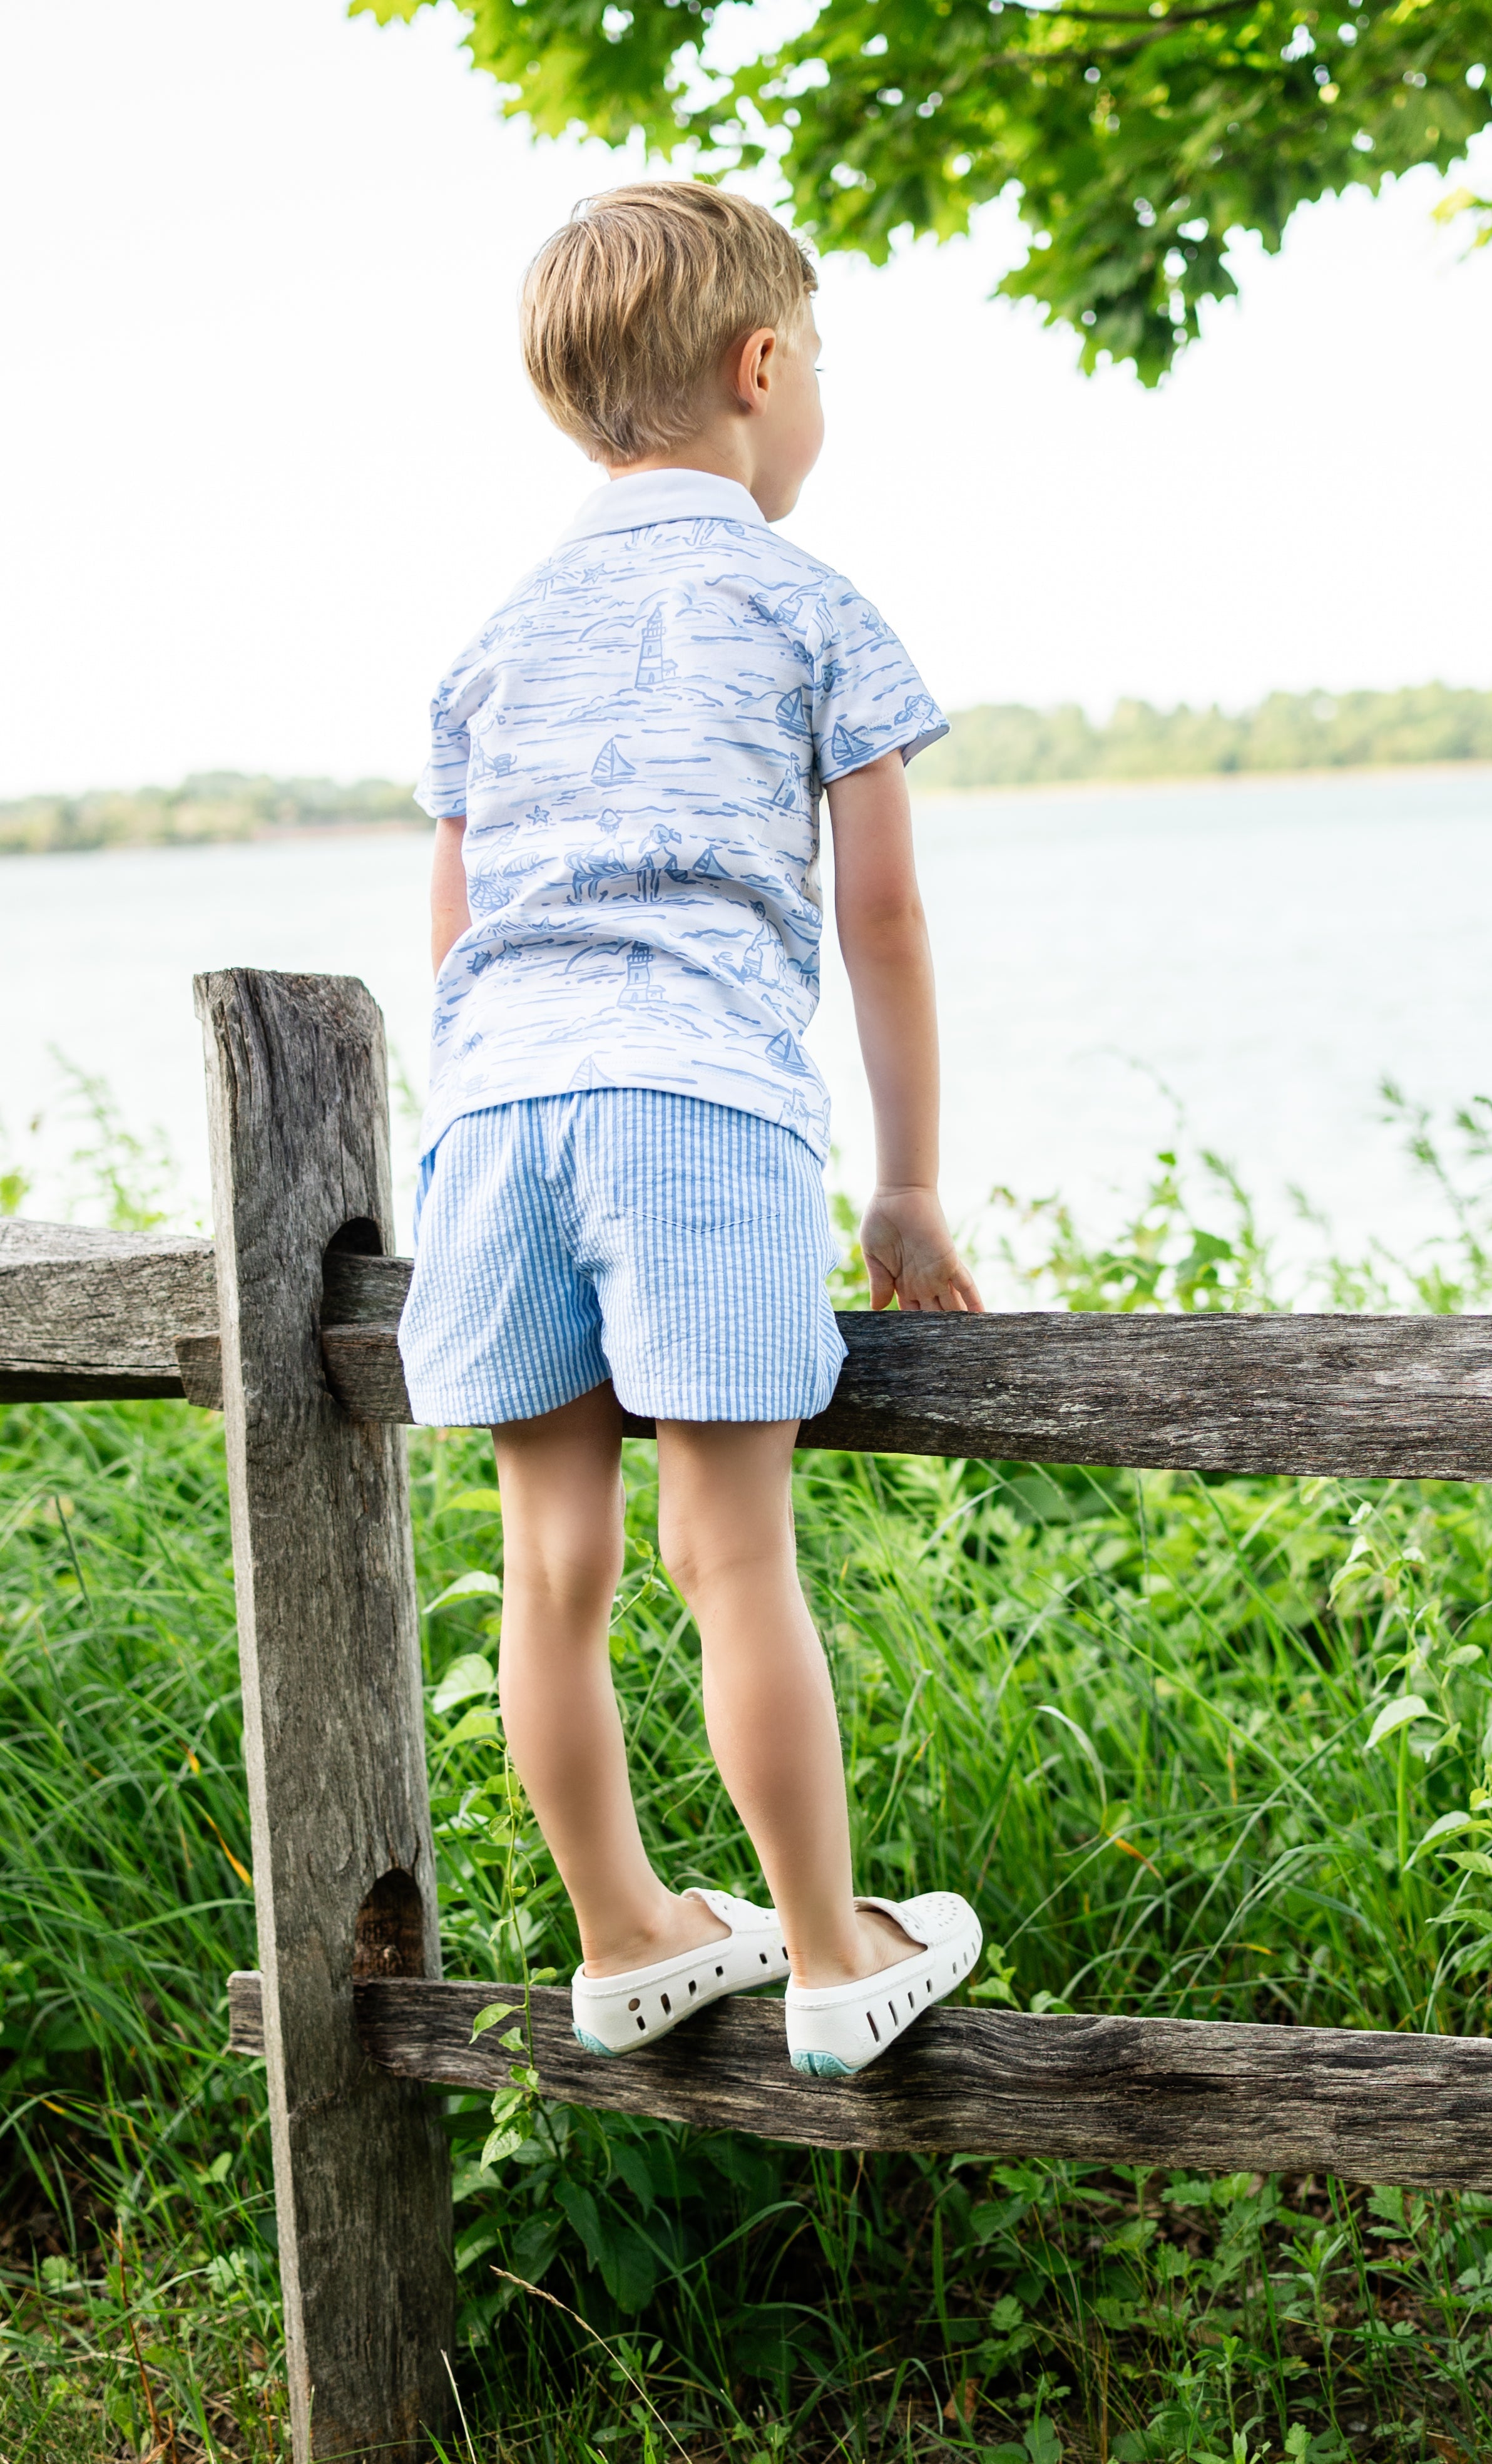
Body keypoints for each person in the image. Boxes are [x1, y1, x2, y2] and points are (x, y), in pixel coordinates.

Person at [399, 181, 984, 2080]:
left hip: (499, 1117)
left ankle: (627, 1934)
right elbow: (882, 918)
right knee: (731, 1555)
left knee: (550, 1566)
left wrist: (496, 1114)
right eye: (817, 363)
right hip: (697, 1108)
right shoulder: (810, 604)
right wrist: (906, 1182)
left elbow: (455, 940)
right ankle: (827, 1951)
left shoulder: (495, 639)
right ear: (757, 367)